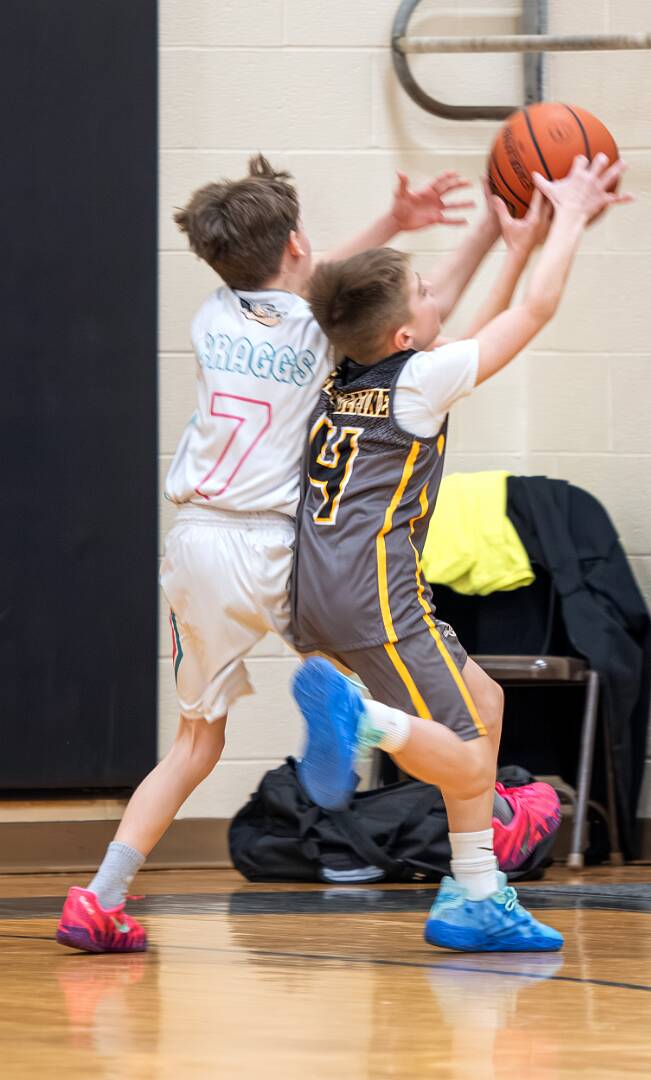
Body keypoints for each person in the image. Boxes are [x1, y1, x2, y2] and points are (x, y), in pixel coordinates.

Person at [55, 153, 503, 954]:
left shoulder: (211, 316)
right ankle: (487, 815)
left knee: (195, 742)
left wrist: (392, 221)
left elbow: (303, 277)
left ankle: (100, 896)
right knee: (404, 695)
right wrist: (423, 228)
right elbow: (351, 294)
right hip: (278, 547)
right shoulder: (317, 330)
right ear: (298, 244)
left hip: (194, 545)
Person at [291, 153, 630, 952]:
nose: (435, 290)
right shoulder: (416, 382)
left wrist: (508, 243)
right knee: (474, 764)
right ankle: (365, 722)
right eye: (424, 290)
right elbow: (533, 312)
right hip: (376, 600)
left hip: (323, 594)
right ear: (404, 333)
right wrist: (569, 217)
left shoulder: (344, 370)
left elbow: (455, 335)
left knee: (486, 705)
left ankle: (472, 894)